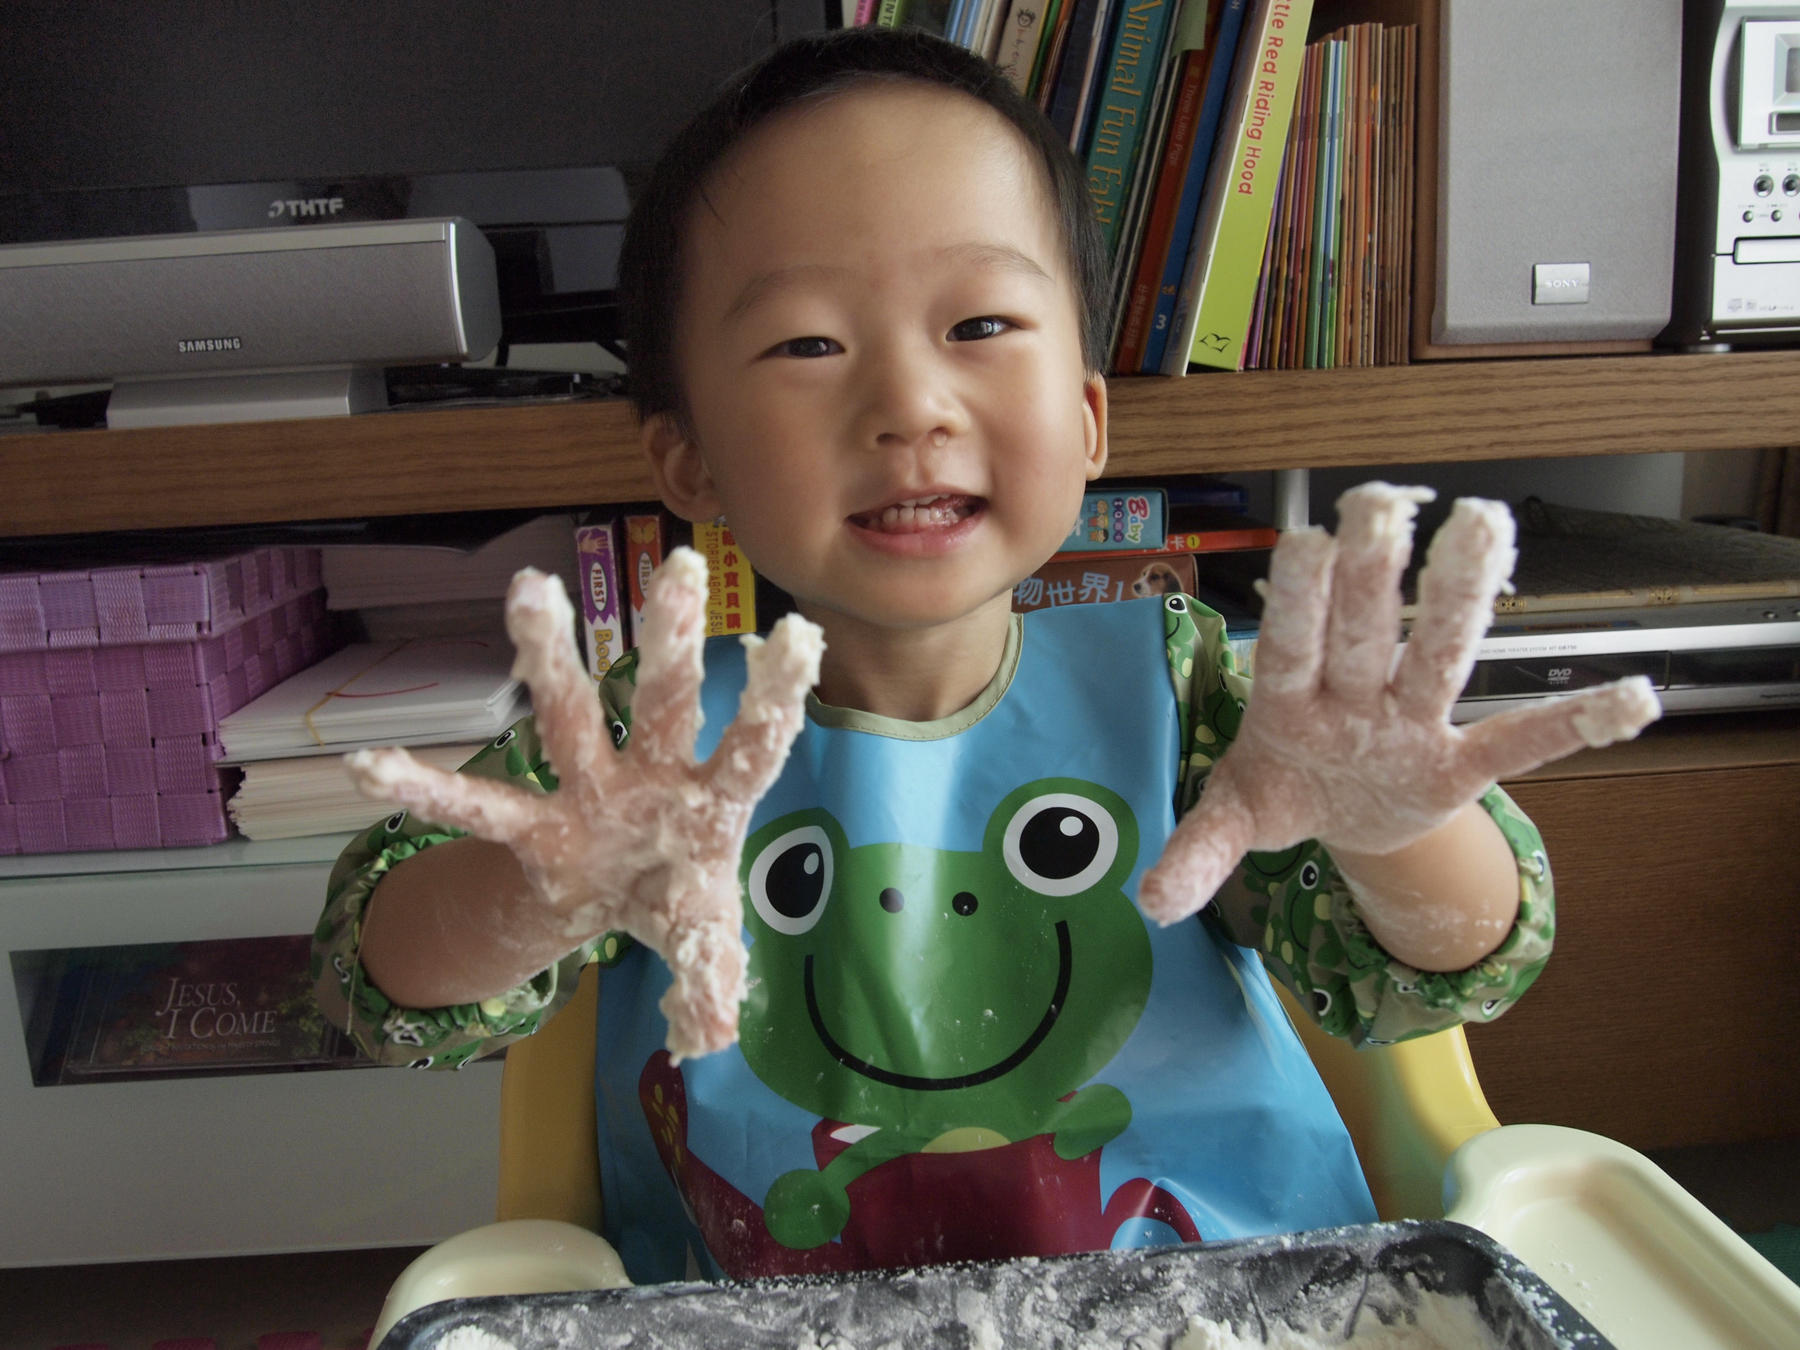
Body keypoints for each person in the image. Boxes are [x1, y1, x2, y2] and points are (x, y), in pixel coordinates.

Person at [311, 26, 1659, 1283]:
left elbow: (1439, 966)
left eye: (980, 326)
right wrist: (540, 887)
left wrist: (1394, 829)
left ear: (1089, 418)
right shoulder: (643, 751)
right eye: (807, 343)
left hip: (1216, 1296)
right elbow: (382, 982)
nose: (910, 403)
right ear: (690, 461)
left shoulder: (1193, 698)